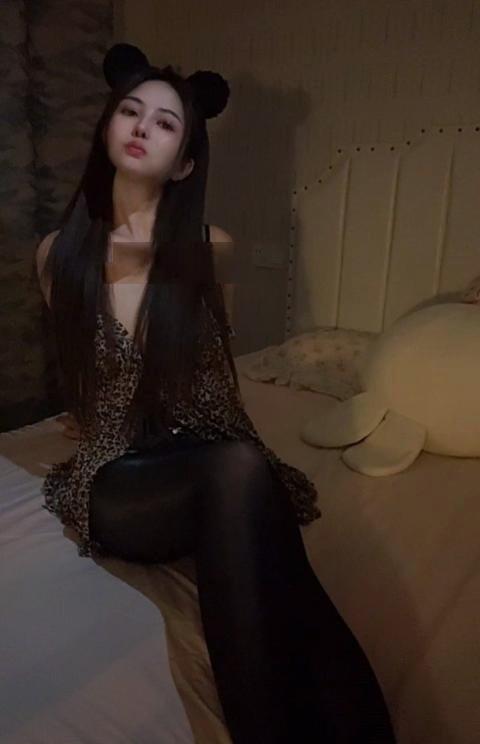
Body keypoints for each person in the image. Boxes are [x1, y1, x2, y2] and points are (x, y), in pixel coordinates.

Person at [35, 43, 396, 744]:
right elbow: (83, 372)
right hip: (118, 476)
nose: (143, 126)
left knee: (281, 557)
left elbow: (212, 364)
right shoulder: (58, 253)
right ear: (108, 127)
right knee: (237, 472)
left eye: (166, 122)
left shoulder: (212, 246)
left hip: (205, 454)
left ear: (186, 163)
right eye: (131, 111)